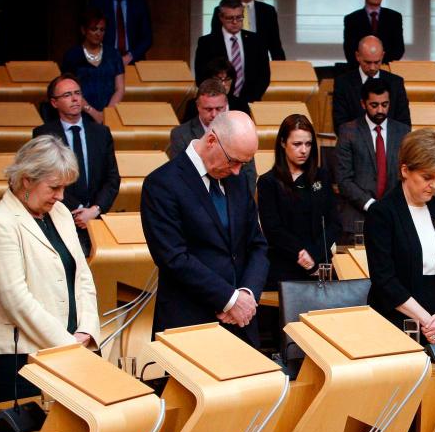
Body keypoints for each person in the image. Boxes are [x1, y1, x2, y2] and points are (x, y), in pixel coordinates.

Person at [0, 136, 99, 402]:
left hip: (77, 348)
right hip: (23, 358)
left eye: (65, 187)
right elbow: (16, 300)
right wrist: (67, 344)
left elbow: (83, 277)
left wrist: (87, 330)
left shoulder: (62, 213)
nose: (61, 196)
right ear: (27, 180)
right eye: (54, 187)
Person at [140, 111, 268, 347]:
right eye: (233, 160)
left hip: (242, 323)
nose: (238, 170)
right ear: (211, 141)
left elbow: (257, 245)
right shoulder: (162, 184)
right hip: (189, 324)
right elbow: (174, 258)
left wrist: (247, 295)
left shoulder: (237, 180)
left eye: (244, 163)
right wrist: (230, 300)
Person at [365, 129, 435, 343]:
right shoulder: (382, 213)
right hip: (396, 322)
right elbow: (385, 280)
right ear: (405, 170)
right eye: (427, 177)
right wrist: (428, 321)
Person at [32, 73, 121, 257]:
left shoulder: (101, 133)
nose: (74, 98)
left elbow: (112, 178)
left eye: (77, 93)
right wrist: (78, 211)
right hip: (60, 217)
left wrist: (94, 210)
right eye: (67, 95)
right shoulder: (43, 135)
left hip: (96, 216)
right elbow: (44, 179)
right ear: (54, 103)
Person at [257, 114, 340, 287]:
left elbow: (334, 223)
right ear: (282, 143)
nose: (304, 150)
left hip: (320, 264)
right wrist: (301, 253)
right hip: (284, 266)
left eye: (308, 144)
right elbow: (273, 230)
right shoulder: (268, 182)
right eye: (297, 144)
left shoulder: (322, 176)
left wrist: (314, 254)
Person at [336, 77, 410, 232]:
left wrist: (388, 208)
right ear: (363, 104)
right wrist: (371, 205)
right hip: (357, 216)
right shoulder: (348, 131)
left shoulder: (403, 132)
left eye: (385, 105)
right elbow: (343, 180)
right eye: (374, 105)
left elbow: (406, 176)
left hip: (394, 216)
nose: (380, 110)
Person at [194, 0, 270, 105]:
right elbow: (201, 77)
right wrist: (218, 99)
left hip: (249, 102)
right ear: (221, 17)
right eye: (230, 18)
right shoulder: (207, 42)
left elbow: (264, 76)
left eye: (239, 17)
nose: (235, 22)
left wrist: (246, 101)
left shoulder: (256, 41)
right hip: (216, 104)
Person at [332, 35, 410, 132]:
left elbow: (404, 124)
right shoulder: (343, 83)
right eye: (367, 62)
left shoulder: (395, 83)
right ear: (358, 56)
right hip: (354, 144)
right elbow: (341, 125)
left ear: (382, 56)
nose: (372, 67)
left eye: (377, 62)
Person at [60, 7, 125, 123]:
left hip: (109, 114)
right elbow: (69, 89)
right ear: (84, 30)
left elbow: (119, 88)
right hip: (79, 113)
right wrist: (92, 112)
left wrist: (107, 114)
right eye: (94, 29)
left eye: (102, 30)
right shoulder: (72, 56)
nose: (98, 33)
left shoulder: (113, 54)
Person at [209, 0, 285, 61]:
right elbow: (215, 42)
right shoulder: (219, 10)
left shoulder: (268, 11)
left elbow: (275, 45)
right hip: (230, 65)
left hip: (259, 65)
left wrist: (283, 69)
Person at [88, 0, 153, 65]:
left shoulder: (139, 2)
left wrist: (130, 56)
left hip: (133, 61)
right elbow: (90, 33)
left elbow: (147, 38)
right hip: (104, 61)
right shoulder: (97, 1)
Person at [343, 0, 404, 65]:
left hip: (386, 69)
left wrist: (378, 64)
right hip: (360, 70)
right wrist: (367, 65)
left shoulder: (395, 17)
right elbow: (350, 50)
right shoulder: (352, 19)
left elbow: (399, 49)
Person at [167, 78, 228, 159]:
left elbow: (247, 170)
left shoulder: (240, 132)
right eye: (208, 109)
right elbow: (179, 170)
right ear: (198, 106)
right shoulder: (180, 135)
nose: (214, 114)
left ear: (226, 105)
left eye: (219, 109)